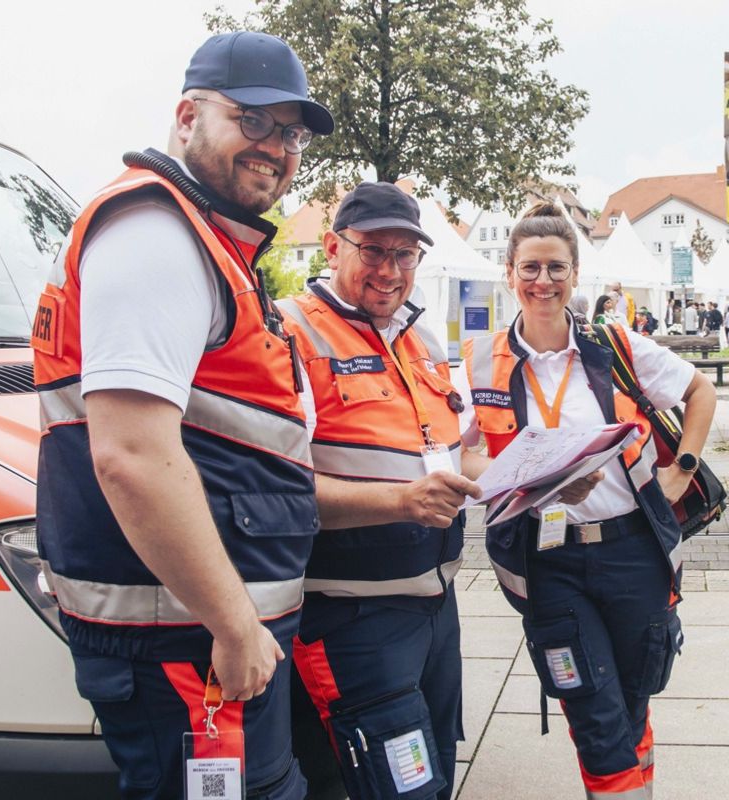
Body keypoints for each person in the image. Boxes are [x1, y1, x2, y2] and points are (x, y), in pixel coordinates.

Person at [31, 32, 334, 799]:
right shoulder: (157, 233)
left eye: (292, 134)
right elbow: (130, 456)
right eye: (255, 120)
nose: (277, 148)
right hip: (188, 640)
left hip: (203, 633)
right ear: (187, 114)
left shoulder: (202, 239)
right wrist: (235, 625)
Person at [458, 203, 717, 800]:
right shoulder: (479, 362)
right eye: (529, 268)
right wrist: (512, 474)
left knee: (632, 694)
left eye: (555, 268)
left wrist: (681, 469)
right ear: (509, 272)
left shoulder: (615, 348)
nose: (542, 281)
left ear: (575, 275)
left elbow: (699, 393)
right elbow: (455, 453)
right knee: (593, 710)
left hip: (632, 552)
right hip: (548, 561)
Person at [279, 182, 485, 800]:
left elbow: (459, 451)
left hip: (434, 607)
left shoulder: (418, 338)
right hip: (351, 615)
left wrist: (530, 478)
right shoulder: (291, 334)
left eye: (405, 255)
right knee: (394, 785)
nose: (390, 271)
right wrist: (401, 503)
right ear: (331, 246)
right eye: (373, 251)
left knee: (437, 774)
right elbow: (274, 487)